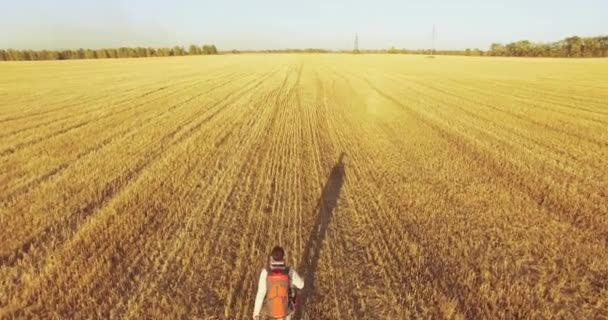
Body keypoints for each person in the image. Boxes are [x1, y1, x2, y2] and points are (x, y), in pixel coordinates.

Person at [253, 246, 304, 320]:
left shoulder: (265, 272)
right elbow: (301, 285)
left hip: (270, 310)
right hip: (286, 309)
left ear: (271, 258)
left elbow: (260, 294)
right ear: (284, 258)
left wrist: (256, 314)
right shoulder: (289, 271)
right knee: (293, 290)